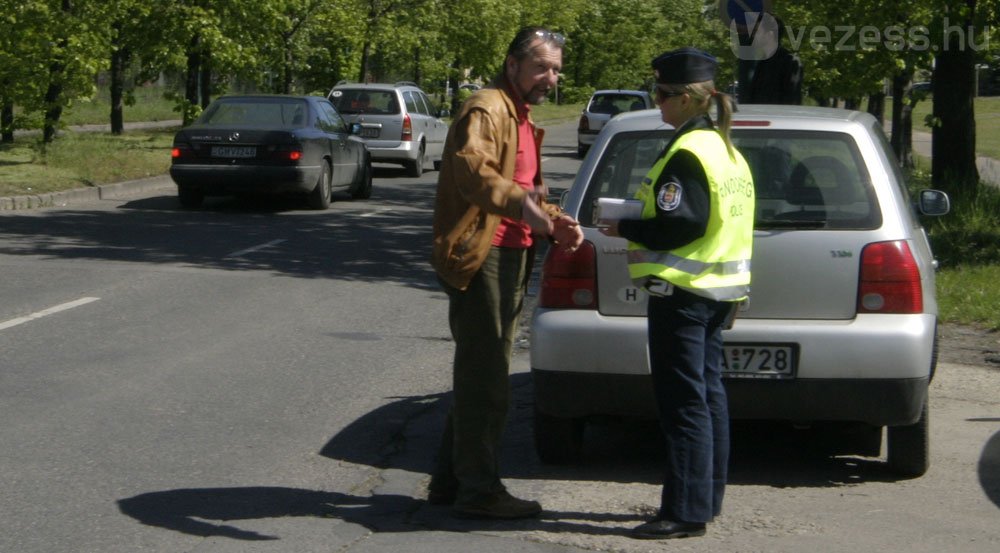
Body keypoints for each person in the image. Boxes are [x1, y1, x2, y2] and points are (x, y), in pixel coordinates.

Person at [427, 26, 584, 520]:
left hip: (512, 251)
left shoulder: (519, 114)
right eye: (542, 67)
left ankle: (452, 482)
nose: (551, 78)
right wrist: (524, 206)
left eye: (556, 69)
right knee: (487, 379)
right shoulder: (488, 107)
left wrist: (554, 222)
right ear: (512, 64)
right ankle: (479, 491)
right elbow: (472, 170)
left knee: (482, 372)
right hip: (485, 253)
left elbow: (525, 190)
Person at [599, 47, 755, 539]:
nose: (657, 102)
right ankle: (705, 500)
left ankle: (684, 513)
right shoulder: (725, 148)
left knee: (684, 404)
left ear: (688, 98)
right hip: (715, 293)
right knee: (708, 397)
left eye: (662, 94)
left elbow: (680, 224)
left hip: (682, 294)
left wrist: (625, 225)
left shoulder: (688, 152)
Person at [743, 16, 803, 105]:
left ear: (769, 35)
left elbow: (792, 100)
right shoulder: (761, 64)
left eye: (757, 31)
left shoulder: (791, 62)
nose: (753, 35)